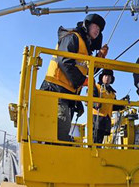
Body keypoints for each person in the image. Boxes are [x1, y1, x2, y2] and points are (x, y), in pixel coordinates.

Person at [41, 13, 108, 142]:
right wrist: (83, 80)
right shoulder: (73, 37)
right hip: (55, 90)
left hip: (68, 94)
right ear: (87, 26)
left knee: (61, 131)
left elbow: (89, 70)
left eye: (99, 30)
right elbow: (65, 61)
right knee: (61, 129)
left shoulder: (86, 49)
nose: (97, 31)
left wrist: (100, 57)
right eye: (95, 27)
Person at [92, 69, 127, 144]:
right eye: (105, 76)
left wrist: (123, 104)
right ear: (102, 77)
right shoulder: (96, 87)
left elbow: (113, 106)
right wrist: (96, 104)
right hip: (96, 118)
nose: (107, 78)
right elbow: (90, 100)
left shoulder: (112, 93)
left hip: (106, 120)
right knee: (94, 141)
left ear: (112, 79)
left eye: (109, 76)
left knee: (100, 141)